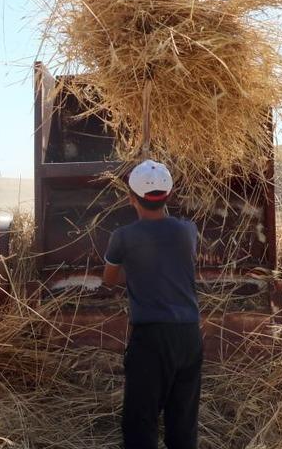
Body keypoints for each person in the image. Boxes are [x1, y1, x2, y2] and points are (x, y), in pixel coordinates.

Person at [102, 159, 202, 449]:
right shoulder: (188, 231)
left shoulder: (122, 237)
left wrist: (138, 272)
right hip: (189, 336)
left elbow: (109, 280)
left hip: (151, 340)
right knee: (183, 424)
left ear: (131, 198)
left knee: (140, 422)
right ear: (169, 195)